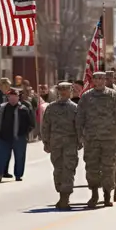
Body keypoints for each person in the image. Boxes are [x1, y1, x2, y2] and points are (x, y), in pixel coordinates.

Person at [76, 71, 116, 208]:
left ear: (105, 80)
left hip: (109, 139)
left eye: (101, 78)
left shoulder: (113, 95)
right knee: (91, 167)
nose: (99, 81)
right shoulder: (86, 97)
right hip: (91, 139)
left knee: (109, 168)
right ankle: (94, 194)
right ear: (93, 80)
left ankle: (107, 194)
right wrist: (80, 135)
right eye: (96, 79)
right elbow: (79, 117)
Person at [41, 82, 79, 210]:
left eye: (66, 89)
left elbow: (80, 127)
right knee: (58, 170)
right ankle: (61, 193)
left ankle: (65, 198)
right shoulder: (51, 108)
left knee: (68, 170)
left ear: (70, 91)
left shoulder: (75, 108)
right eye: (61, 89)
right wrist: (46, 142)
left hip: (70, 144)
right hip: (55, 144)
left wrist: (80, 142)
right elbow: (45, 126)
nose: (63, 92)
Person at [0, 87, 34, 182]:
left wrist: (25, 133)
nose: (13, 98)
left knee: (20, 157)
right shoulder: (1, 108)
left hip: (19, 137)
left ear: (18, 97)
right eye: (11, 96)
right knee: (1, 156)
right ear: (8, 97)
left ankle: (18, 175)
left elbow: (31, 123)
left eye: (15, 96)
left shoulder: (24, 109)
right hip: (3, 137)